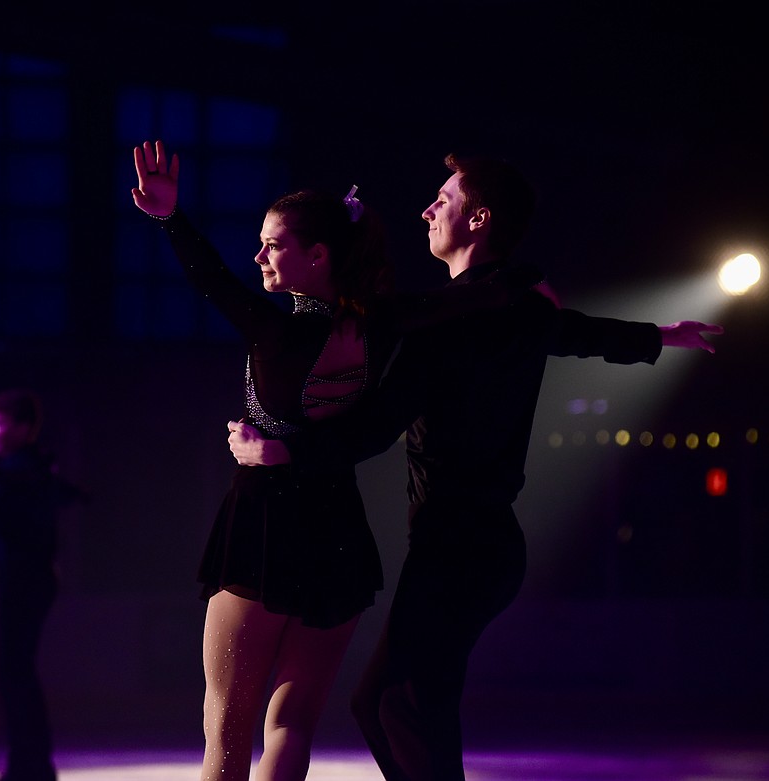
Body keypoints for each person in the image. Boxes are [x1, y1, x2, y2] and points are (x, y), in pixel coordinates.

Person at [227, 151, 723, 780]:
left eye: (445, 199)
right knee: (382, 704)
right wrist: (659, 336)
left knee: (401, 706)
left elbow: (377, 426)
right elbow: (575, 331)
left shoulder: (454, 323)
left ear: (480, 219)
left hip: (461, 544)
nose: (427, 209)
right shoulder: (510, 309)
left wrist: (283, 450)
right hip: (475, 546)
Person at [130, 140, 539, 781]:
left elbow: (209, 277)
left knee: (226, 737)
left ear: (316, 256)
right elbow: (459, 302)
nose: (259, 255)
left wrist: (169, 218)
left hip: (264, 528)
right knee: (291, 727)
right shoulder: (381, 324)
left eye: (272, 244)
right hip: (337, 539)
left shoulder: (274, 332)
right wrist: (521, 285)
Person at [0, 388, 86, 781]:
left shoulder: (23, 469)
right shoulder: (21, 468)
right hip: (25, 580)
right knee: (15, 670)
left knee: (14, 671)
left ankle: (30, 766)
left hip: (27, 581)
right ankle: (30, 764)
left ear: (23, 428)